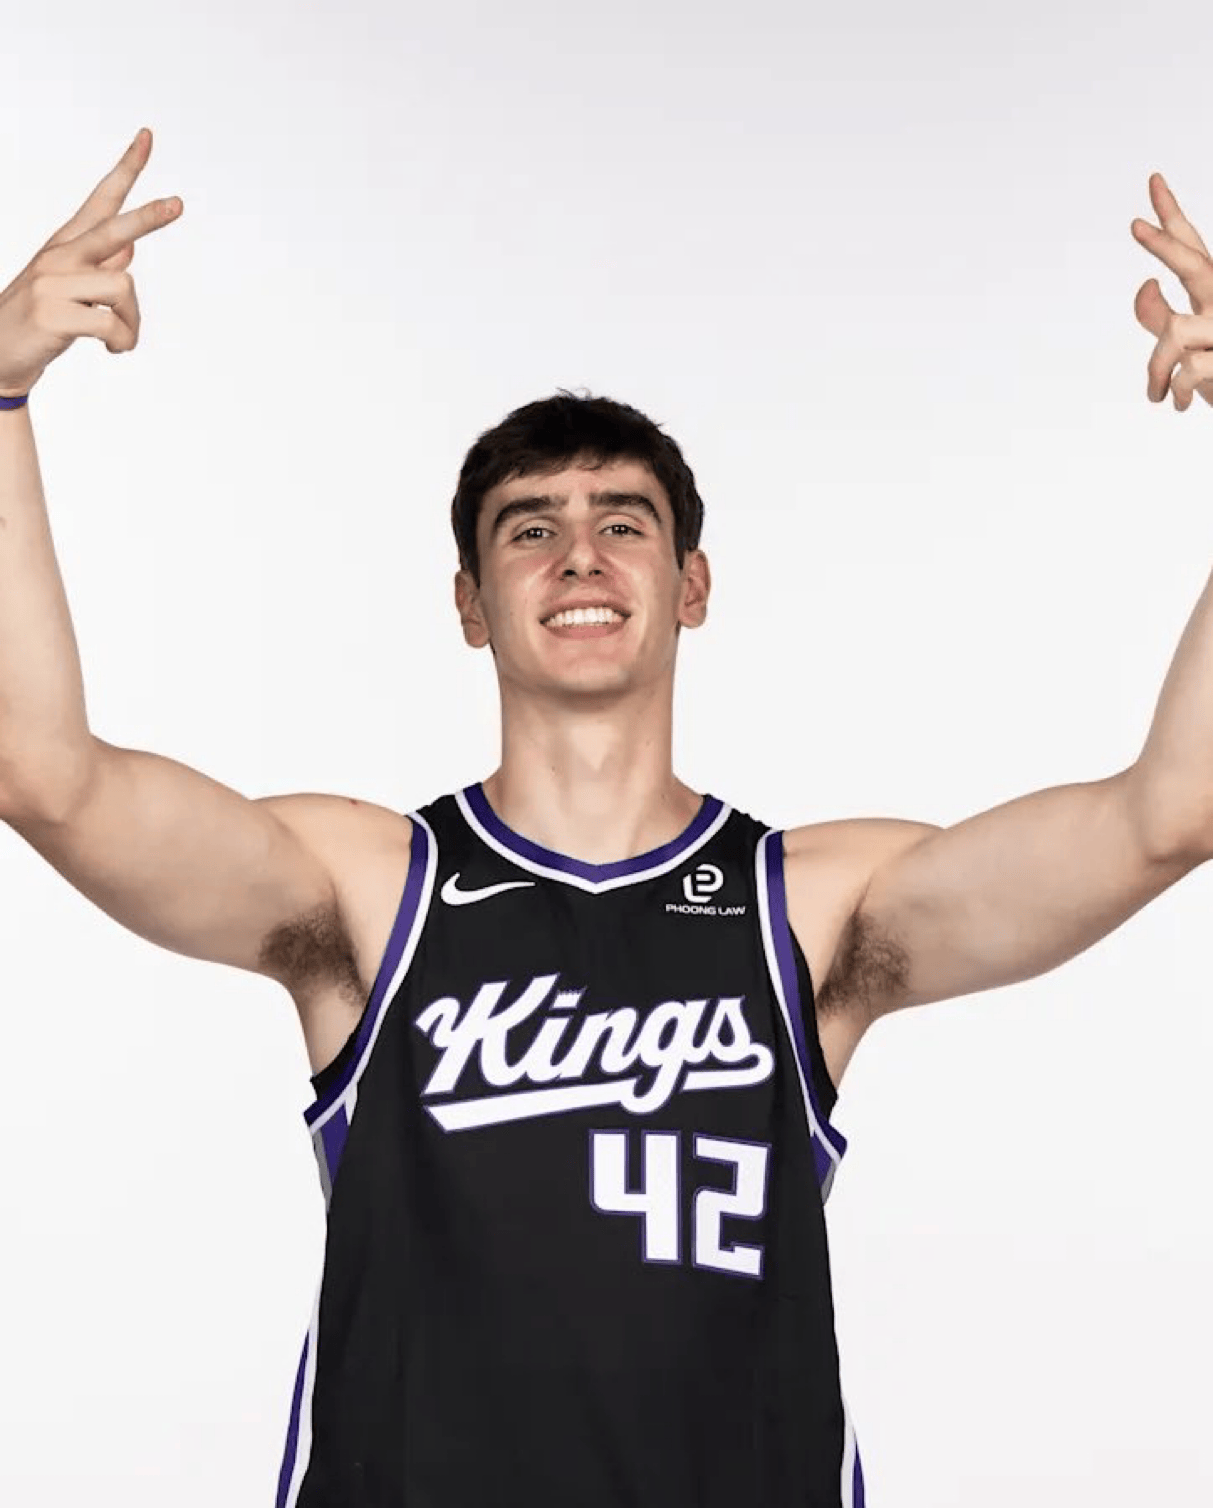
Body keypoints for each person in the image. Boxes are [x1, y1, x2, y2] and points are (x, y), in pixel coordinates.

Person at [2, 127, 1212, 1508]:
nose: (579, 555)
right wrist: (0, 389)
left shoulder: (809, 905)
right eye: (530, 529)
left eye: (624, 524)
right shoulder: (373, 889)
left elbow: (1172, 813)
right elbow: (44, 775)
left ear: (692, 585)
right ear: (471, 605)